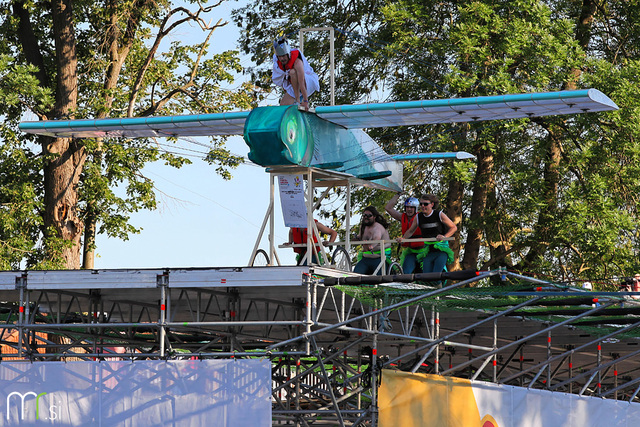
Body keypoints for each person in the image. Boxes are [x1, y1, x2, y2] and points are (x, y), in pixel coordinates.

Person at [401, 194, 457, 274]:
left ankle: (441, 286)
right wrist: (403, 239)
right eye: (421, 204)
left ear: (432, 204)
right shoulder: (418, 217)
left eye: (425, 204)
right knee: (426, 277)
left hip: (441, 250)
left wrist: (444, 236)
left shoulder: (439, 214)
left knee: (436, 276)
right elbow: (410, 231)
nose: (423, 206)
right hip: (428, 251)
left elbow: (453, 227)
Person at [272, 36, 320, 112]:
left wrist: (305, 101)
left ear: (288, 54)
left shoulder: (298, 63)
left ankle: (298, 101)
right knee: (282, 107)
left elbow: (301, 83)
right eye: (280, 57)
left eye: (284, 56)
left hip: (307, 83)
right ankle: (297, 101)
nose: (282, 59)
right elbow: (282, 81)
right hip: (294, 87)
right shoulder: (279, 64)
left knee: (292, 72)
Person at [385, 193, 424, 274]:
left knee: (425, 274)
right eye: (407, 207)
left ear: (416, 208)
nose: (409, 209)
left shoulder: (422, 217)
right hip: (411, 251)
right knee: (406, 273)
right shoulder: (402, 217)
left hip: (423, 251)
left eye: (411, 207)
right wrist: (397, 195)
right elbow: (388, 208)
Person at [353, 206, 391, 275]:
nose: (366, 217)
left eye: (369, 215)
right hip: (366, 258)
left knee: (379, 279)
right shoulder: (363, 226)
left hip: (380, 258)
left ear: (374, 217)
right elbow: (360, 237)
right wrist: (355, 239)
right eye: (364, 215)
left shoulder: (377, 227)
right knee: (355, 275)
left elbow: (377, 238)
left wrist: (370, 246)